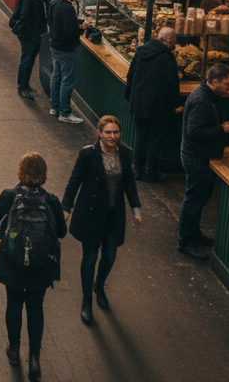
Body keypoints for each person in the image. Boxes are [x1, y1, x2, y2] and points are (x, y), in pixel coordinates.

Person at [0, 153, 66, 376]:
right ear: (44, 174)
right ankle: (34, 358)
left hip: (12, 261)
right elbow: (62, 232)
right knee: (35, 307)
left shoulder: (10, 195)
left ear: (20, 171)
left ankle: (13, 348)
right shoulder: (51, 200)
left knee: (13, 304)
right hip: (40, 265)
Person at [62, 116, 142, 325]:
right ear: (99, 132)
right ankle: (87, 299)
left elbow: (129, 183)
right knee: (89, 258)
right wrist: (66, 207)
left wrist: (136, 208)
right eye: (108, 132)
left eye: (116, 132)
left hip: (113, 216)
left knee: (110, 256)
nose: (112, 136)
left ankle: (99, 285)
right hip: (90, 214)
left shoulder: (124, 154)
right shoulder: (88, 154)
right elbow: (74, 181)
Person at [178, 64, 229, 260]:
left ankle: (194, 234)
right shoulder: (201, 100)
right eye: (227, 84)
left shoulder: (205, 95)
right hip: (196, 158)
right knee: (194, 200)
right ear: (214, 82)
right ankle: (185, 241)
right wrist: (222, 130)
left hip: (199, 156)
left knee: (200, 198)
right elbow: (194, 132)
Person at [126, 27, 181, 181]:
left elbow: (130, 75)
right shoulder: (167, 58)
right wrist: (177, 104)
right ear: (170, 42)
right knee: (154, 140)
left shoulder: (141, 51)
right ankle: (151, 171)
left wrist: (129, 96)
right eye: (174, 42)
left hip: (139, 102)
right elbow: (172, 83)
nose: (175, 44)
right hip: (158, 105)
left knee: (140, 137)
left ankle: (137, 169)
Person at [9, 0, 54, 100]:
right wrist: (33, 35)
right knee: (26, 60)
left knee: (30, 60)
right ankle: (21, 87)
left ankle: (25, 84)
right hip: (28, 36)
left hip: (35, 35)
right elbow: (24, 18)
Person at [48, 0, 87, 124]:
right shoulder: (68, 7)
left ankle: (54, 107)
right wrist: (81, 29)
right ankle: (64, 112)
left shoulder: (54, 2)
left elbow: (51, 21)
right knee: (67, 81)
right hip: (66, 49)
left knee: (56, 76)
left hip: (54, 45)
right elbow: (70, 32)